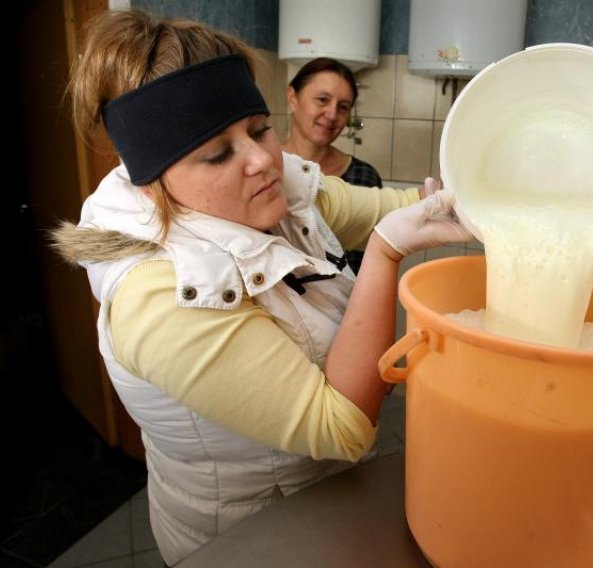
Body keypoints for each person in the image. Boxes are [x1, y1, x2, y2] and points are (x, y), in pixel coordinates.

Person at [51, 10, 470, 566]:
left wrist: (474, 200)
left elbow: (386, 208)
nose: (262, 161)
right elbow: (341, 425)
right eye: (219, 153)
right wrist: (386, 254)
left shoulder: (282, 190)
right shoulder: (158, 297)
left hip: (323, 501)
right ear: (154, 185)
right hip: (245, 538)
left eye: (257, 128)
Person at [283, 57, 383, 273]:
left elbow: (370, 262)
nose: (332, 115)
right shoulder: (268, 170)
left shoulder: (363, 176)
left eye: (343, 107)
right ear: (292, 98)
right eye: (322, 99)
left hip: (347, 304)